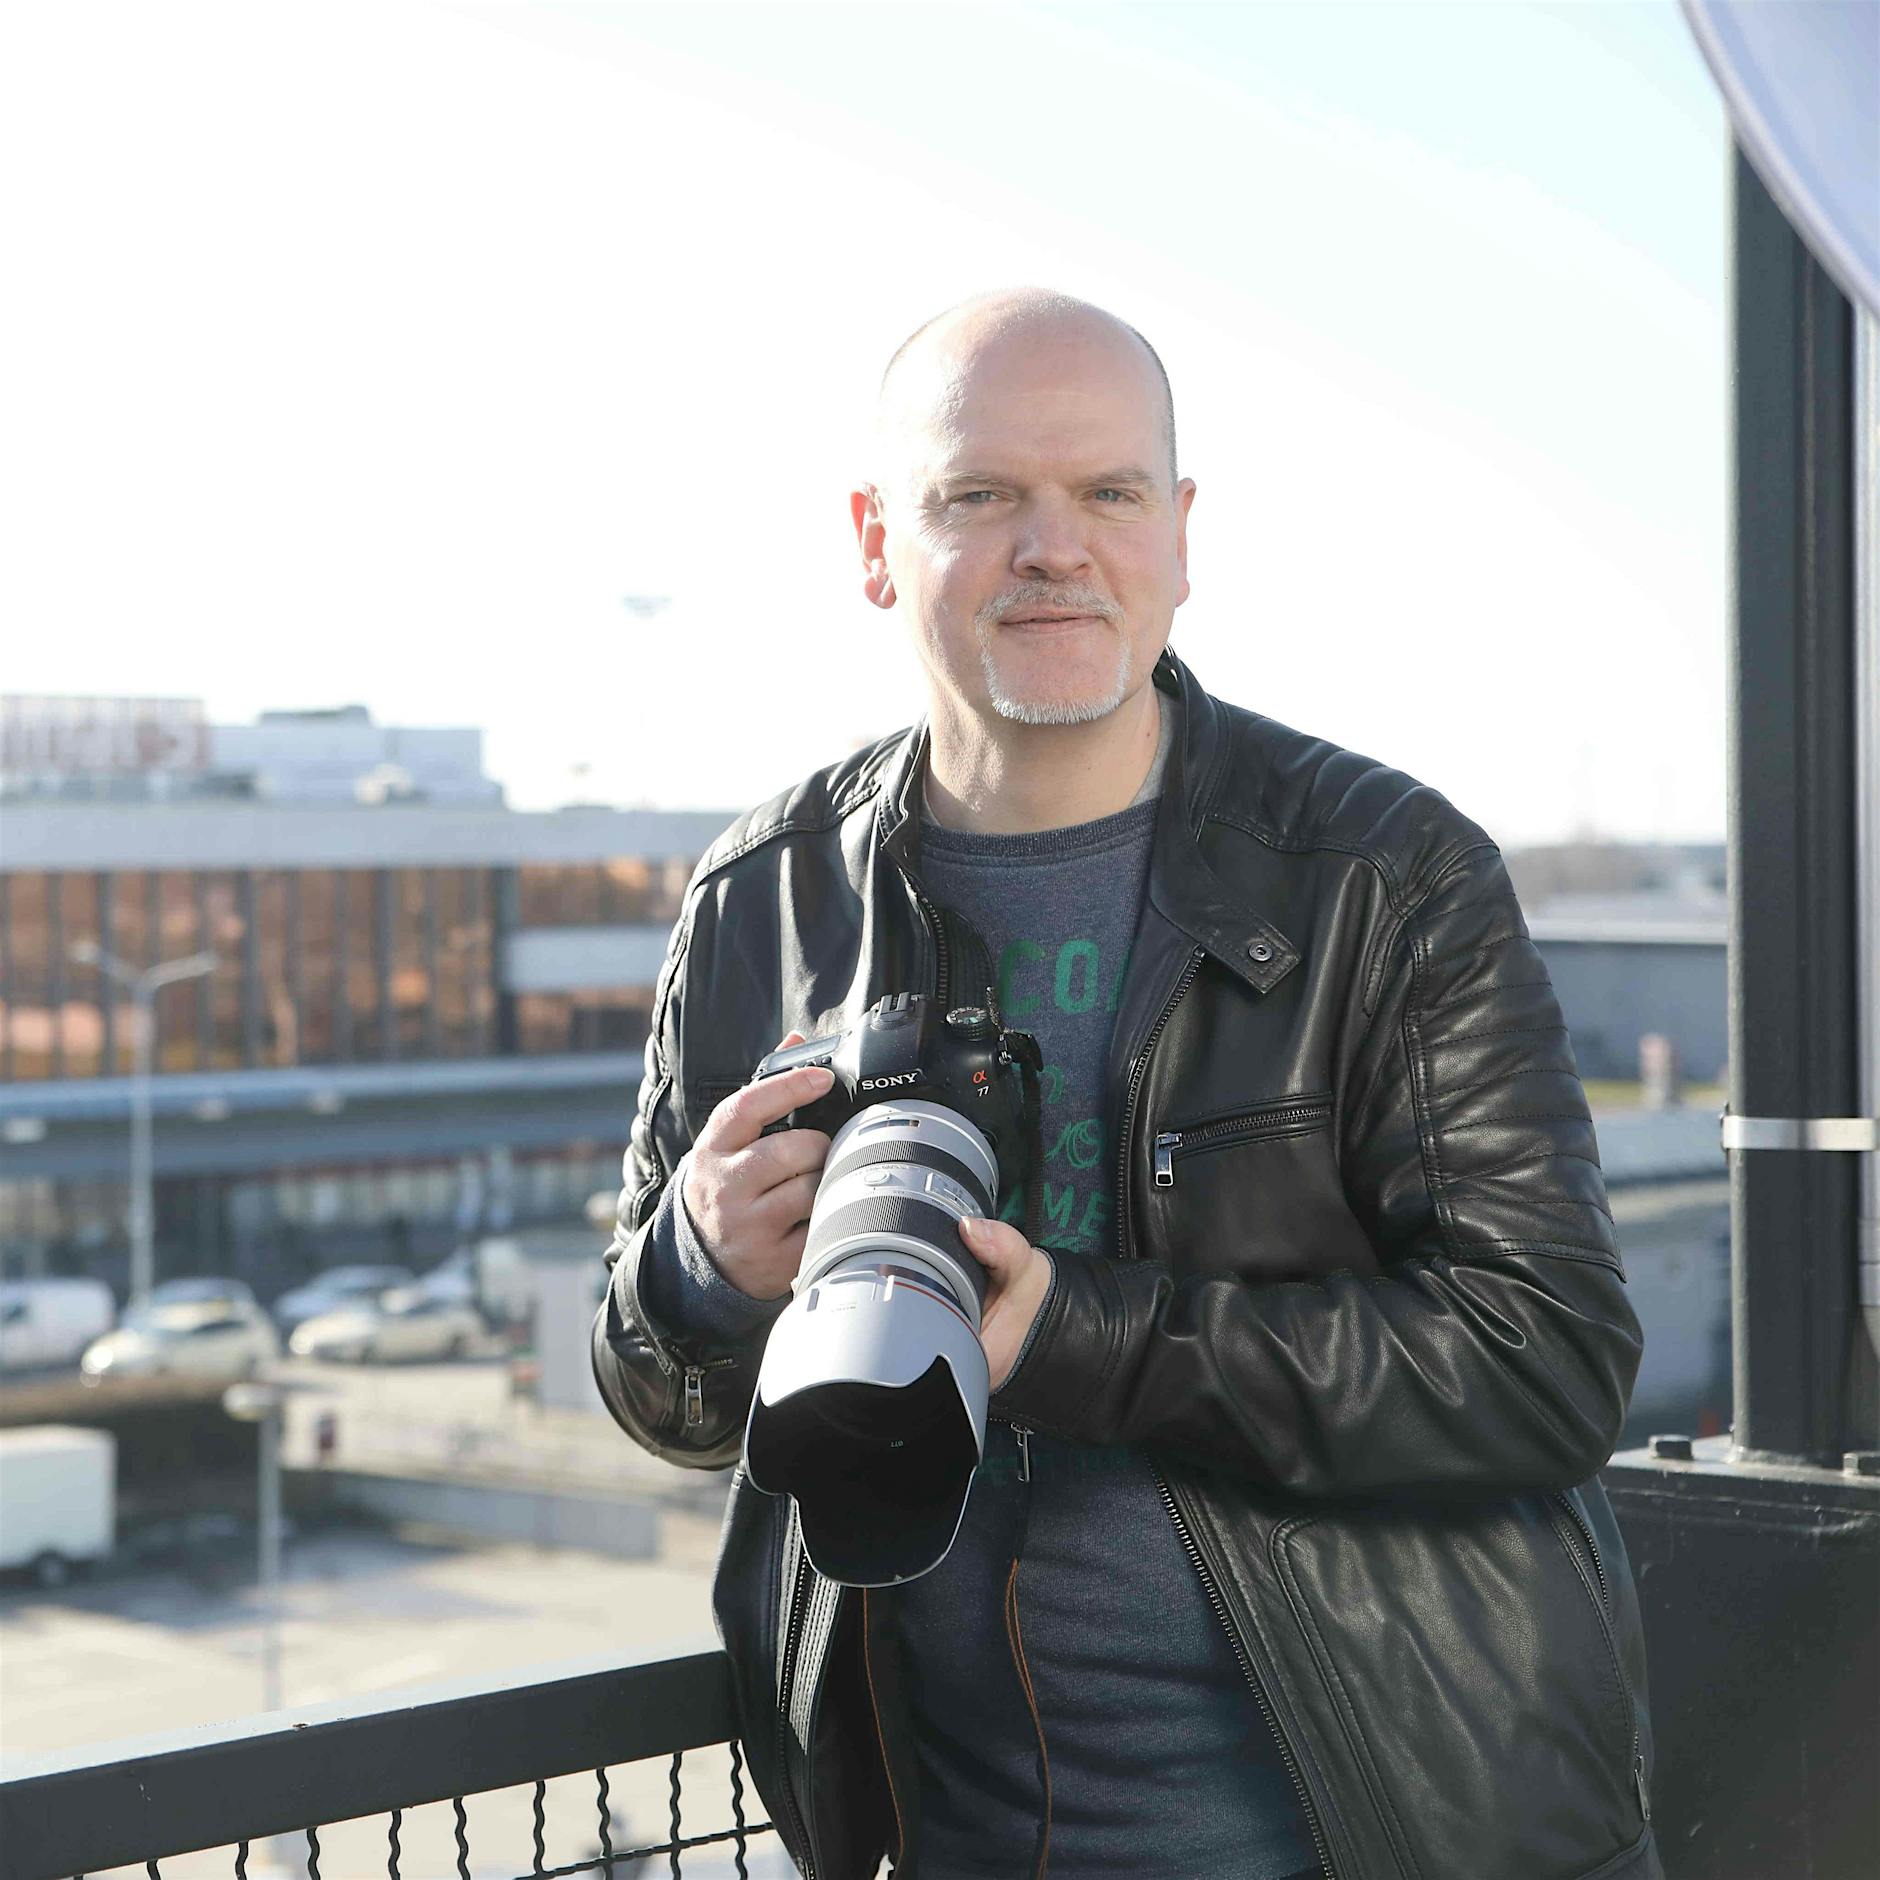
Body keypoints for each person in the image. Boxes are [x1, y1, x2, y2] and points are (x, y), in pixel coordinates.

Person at [593, 287, 1662, 1880]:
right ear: (879, 542)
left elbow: (1549, 1357)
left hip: (1379, 1836)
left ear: (1179, 534)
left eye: (1108, 492)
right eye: (981, 495)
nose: (1054, 545)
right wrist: (698, 1268)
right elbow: (666, 1402)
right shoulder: (767, 901)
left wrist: (1079, 1337)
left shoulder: (1379, 875)